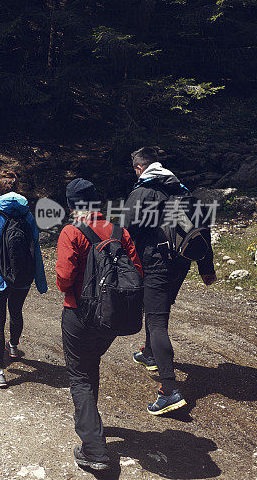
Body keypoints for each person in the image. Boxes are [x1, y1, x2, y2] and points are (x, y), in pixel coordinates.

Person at [56, 178, 142, 471]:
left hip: (78, 314)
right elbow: (136, 274)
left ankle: (93, 450)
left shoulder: (71, 231)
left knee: (79, 375)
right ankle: (92, 424)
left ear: (71, 205)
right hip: (111, 318)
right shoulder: (120, 232)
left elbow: (64, 278)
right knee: (90, 365)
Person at [124, 147, 216, 415]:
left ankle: (169, 391)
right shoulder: (182, 190)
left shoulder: (143, 192)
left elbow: (127, 232)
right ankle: (150, 353)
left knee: (156, 319)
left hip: (155, 264)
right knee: (159, 310)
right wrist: (205, 268)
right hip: (180, 263)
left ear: (139, 168)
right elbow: (202, 230)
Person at [0, 170, 47, 388]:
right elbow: (36, 249)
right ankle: (13, 346)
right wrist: (41, 282)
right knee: (16, 312)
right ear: (17, 189)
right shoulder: (28, 215)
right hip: (22, 276)